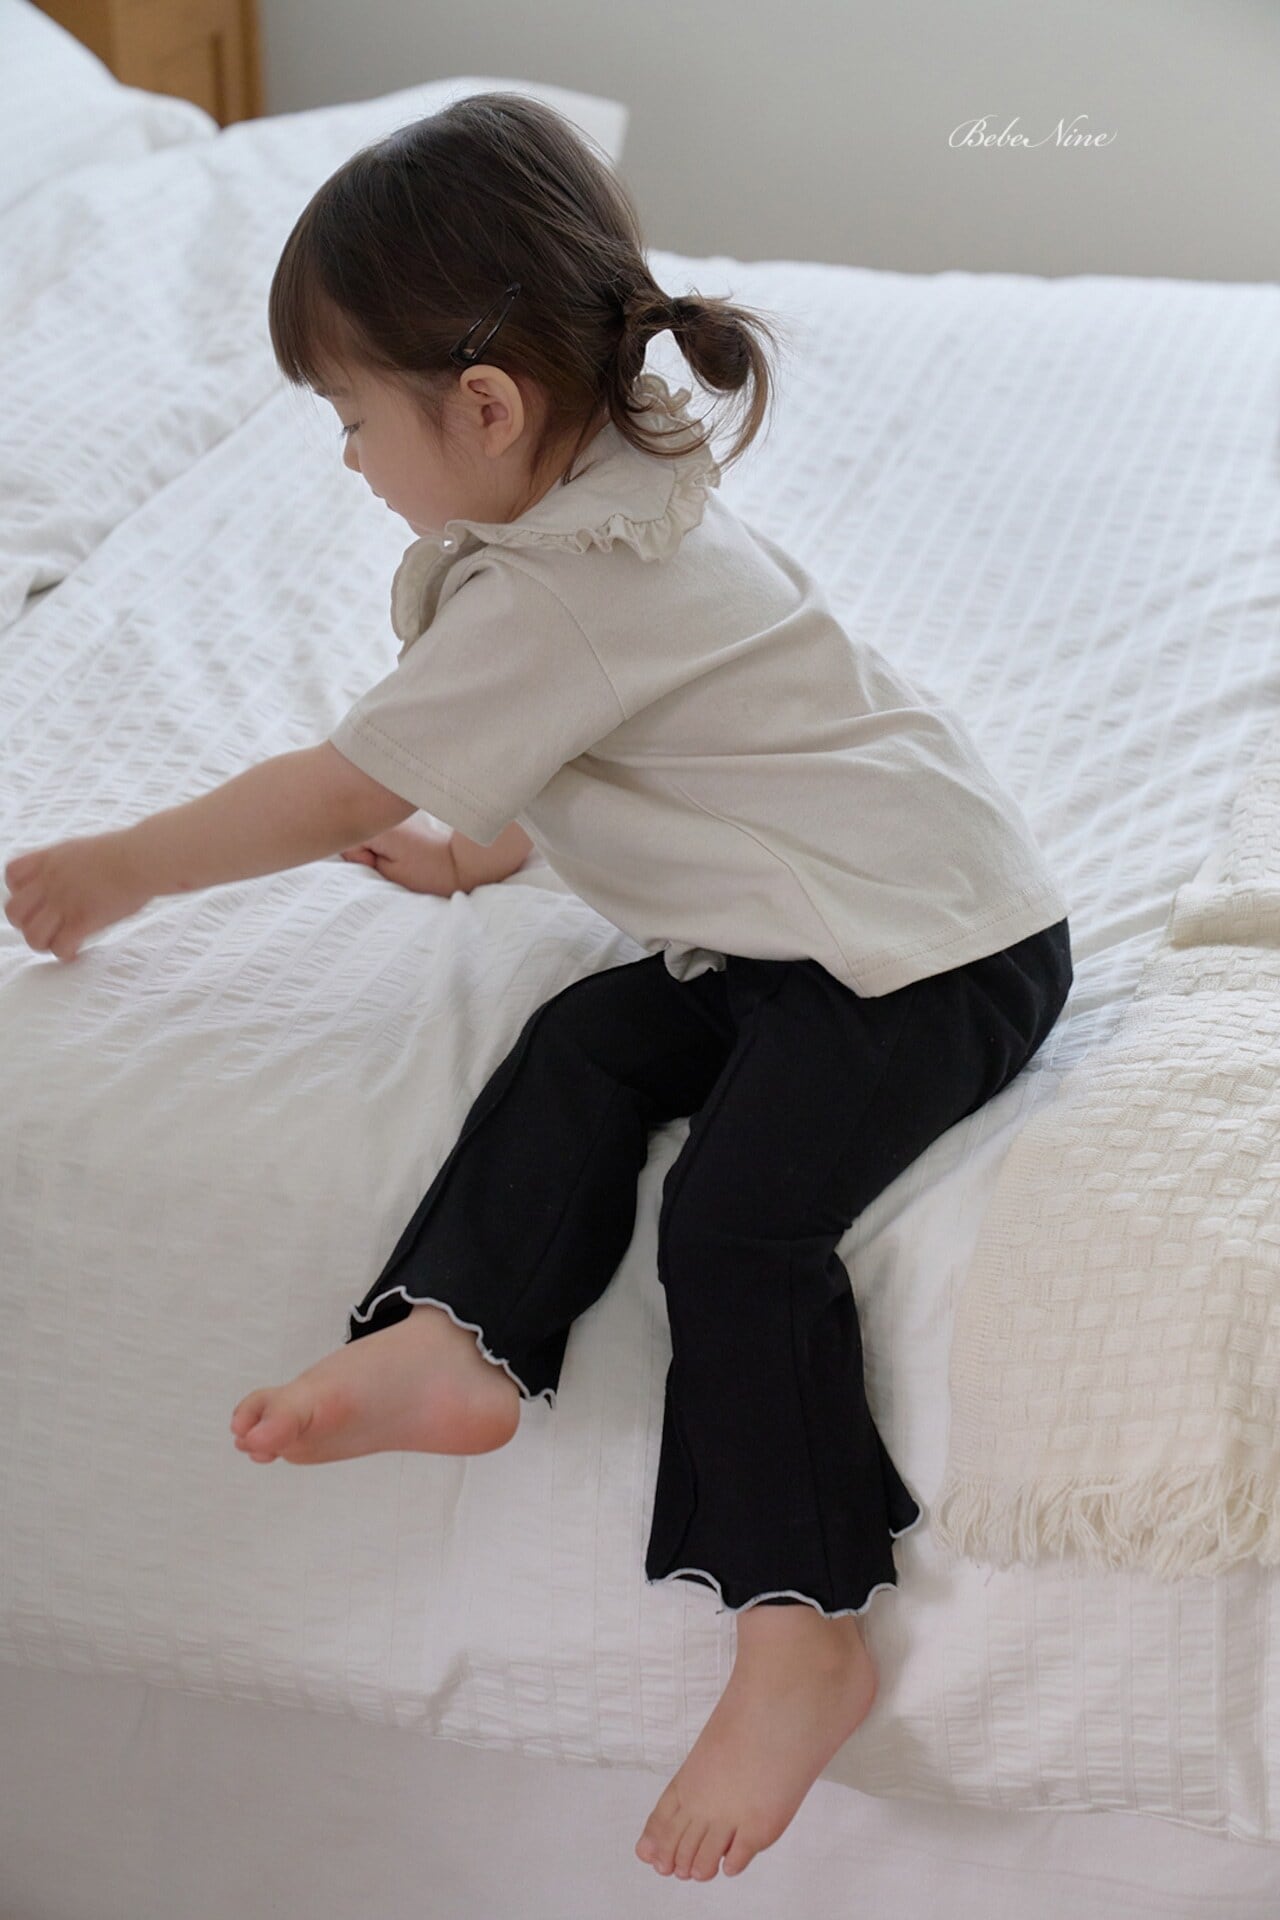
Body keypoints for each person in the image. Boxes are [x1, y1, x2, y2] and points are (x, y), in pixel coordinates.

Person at [1, 92, 1073, 1884]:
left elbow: (343, 780)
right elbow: (609, 731)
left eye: (354, 420)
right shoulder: (617, 502)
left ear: (487, 409)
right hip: (818, 921)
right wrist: (477, 852)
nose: (350, 460)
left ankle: (801, 1627)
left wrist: (125, 865)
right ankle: (463, 1341)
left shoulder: (562, 590)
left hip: (929, 960)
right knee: (586, 1039)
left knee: (737, 1225)